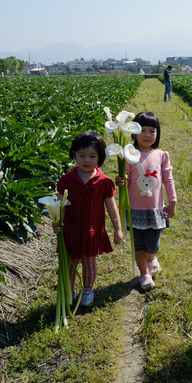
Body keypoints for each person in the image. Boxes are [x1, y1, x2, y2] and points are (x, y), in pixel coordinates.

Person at [54, 131, 123, 307]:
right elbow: (60, 204)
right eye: (81, 155)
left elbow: (111, 207)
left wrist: (118, 228)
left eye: (92, 156)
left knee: (89, 262)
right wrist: (57, 223)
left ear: (100, 158)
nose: (86, 160)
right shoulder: (66, 180)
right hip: (72, 230)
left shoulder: (104, 181)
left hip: (92, 231)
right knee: (70, 263)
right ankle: (69, 291)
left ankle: (87, 290)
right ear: (74, 155)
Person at [116, 111, 177, 291]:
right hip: (134, 210)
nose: (147, 135)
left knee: (153, 244)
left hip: (155, 210)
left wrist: (173, 202)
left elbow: (168, 180)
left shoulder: (161, 155)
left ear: (157, 133)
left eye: (152, 131)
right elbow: (125, 177)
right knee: (138, 244)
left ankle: (151, 258)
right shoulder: (129, 155)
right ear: (134, 133)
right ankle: (145, 275)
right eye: (142, 130)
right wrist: (120, 181)